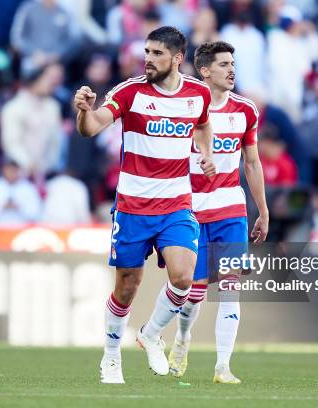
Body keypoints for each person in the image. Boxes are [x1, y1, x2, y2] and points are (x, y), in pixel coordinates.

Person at [73, 26, 215, 384]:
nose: (148, 59)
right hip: (133, 207)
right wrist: (84, 111)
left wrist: (206, 153)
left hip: (176, 205)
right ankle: (110, 356)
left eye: (156, 54)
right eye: (146, 52)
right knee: (127, 287)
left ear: (178, 58)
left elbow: (202, 124)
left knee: (184, 277)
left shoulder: (198, 93)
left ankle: (151, 333)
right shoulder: (131, 91)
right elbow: (91, 128)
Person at [167, 41, 268, 384]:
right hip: (191, 210)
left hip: (230, 210)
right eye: (224, 64)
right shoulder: (187, 107)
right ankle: (182, 339)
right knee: (193, 291)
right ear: (205, 71)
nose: (231, 70)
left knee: (230, 286)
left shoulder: (246, 110)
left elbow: (252, 163)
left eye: (233, 63)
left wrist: (263, 210)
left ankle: (223, 366)